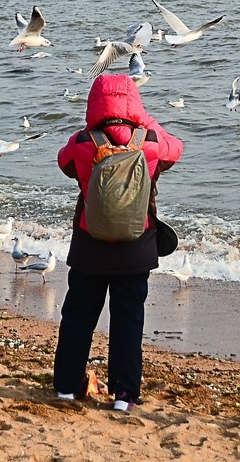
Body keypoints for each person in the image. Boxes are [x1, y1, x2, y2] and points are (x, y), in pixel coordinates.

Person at [53, 73, 183, 411]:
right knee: (128, 322)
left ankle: (66, 388)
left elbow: (63, 161)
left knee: (78, 318)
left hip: (89, 246)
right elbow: (177, 149)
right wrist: (146, 120)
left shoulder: (84, 142)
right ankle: (124, 397)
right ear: (134, 103)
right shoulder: (150, 142)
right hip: (135, 246)